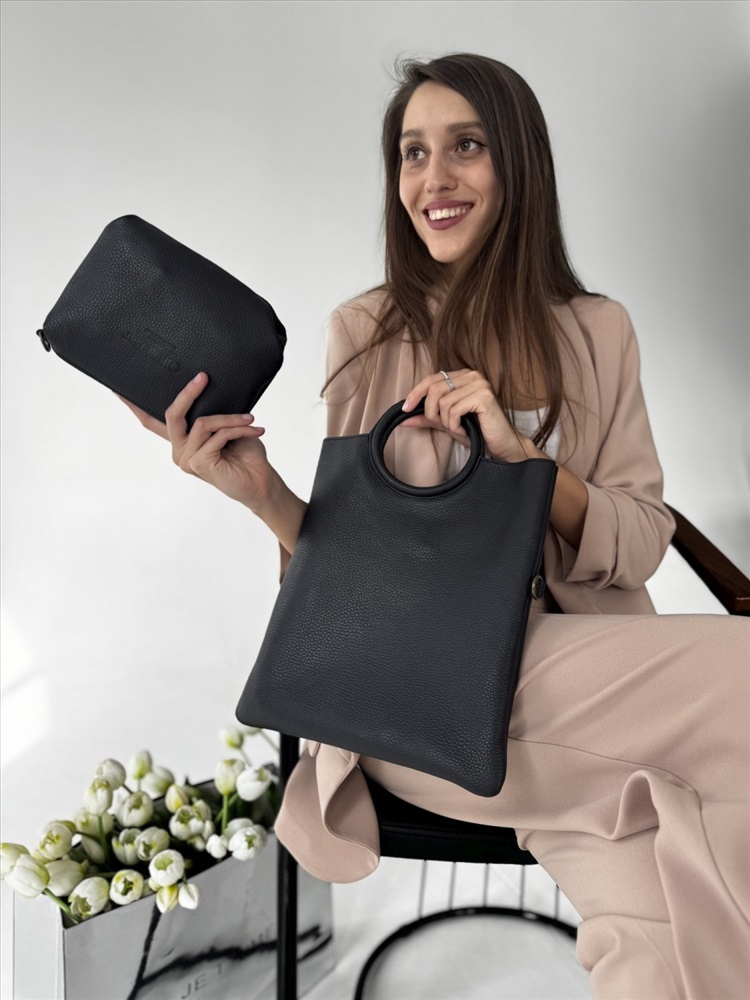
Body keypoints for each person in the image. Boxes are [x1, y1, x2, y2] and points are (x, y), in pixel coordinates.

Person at [123, 54, 749, 1000]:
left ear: (518, 164)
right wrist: (264, 495)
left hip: (590, 697)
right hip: (416, 699)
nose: (432, 178)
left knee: (670, 943)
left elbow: (641, 540)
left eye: (466, 146)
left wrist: (526, 466)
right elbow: (340, 587)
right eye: (412, 153)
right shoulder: (366, 330)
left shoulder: (598, 330)